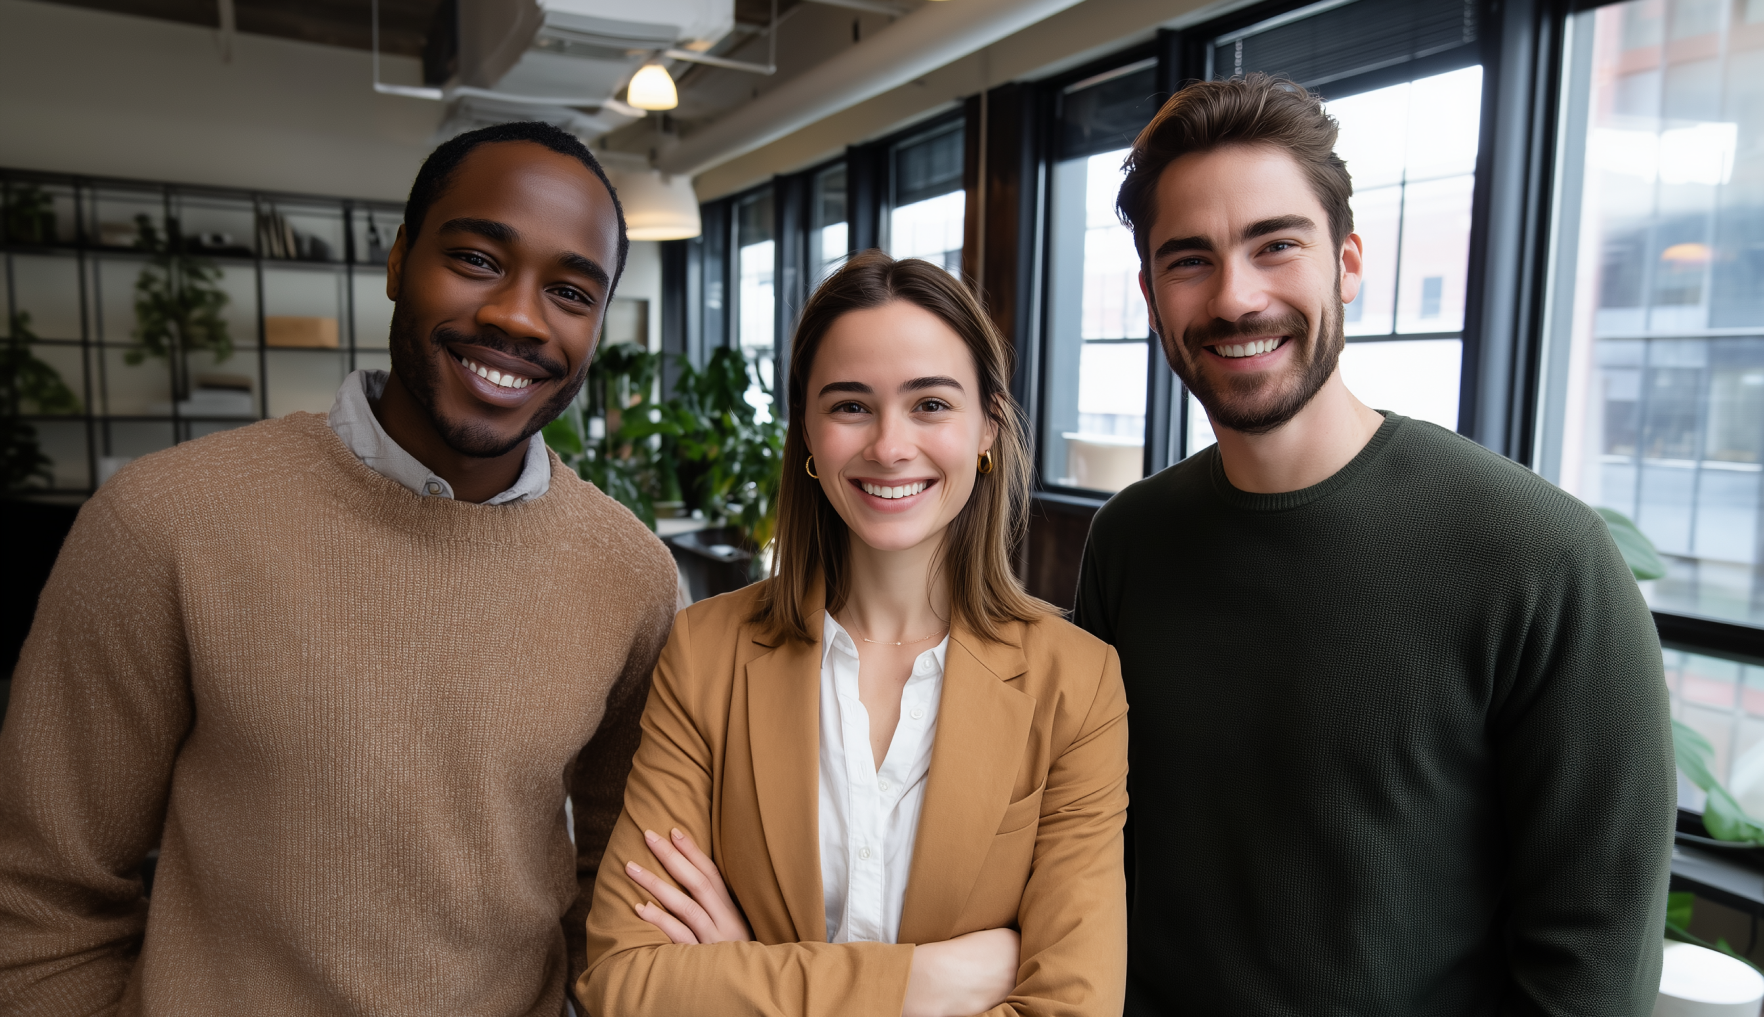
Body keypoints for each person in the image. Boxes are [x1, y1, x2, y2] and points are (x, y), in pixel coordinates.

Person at [0, 122, 679, 1016]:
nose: (520, 316)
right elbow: (44, 902)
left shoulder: (631, 574)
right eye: (477, 258)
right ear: (398, 262)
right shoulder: (165, 521)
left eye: (570, 291)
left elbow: (621, 889)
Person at [1073, 73, 1676, 1015]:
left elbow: (1591, 963)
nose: (1236, 298)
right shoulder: (1131, 543)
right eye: (1189, 260)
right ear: (1150, 296)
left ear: (1348, 263)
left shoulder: (1542, 558)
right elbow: (1098, 855)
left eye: (1277, 245)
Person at [577, 251, 1128, 1017]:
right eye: (850, 406)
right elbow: (624, 982)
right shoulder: (705, 651)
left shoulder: (1078, 682)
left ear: (987, 428)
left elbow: (1072, 1008)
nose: (890, 445)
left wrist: (749, 969)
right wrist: (921, 983)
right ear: (807, 428)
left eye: (931, 404)